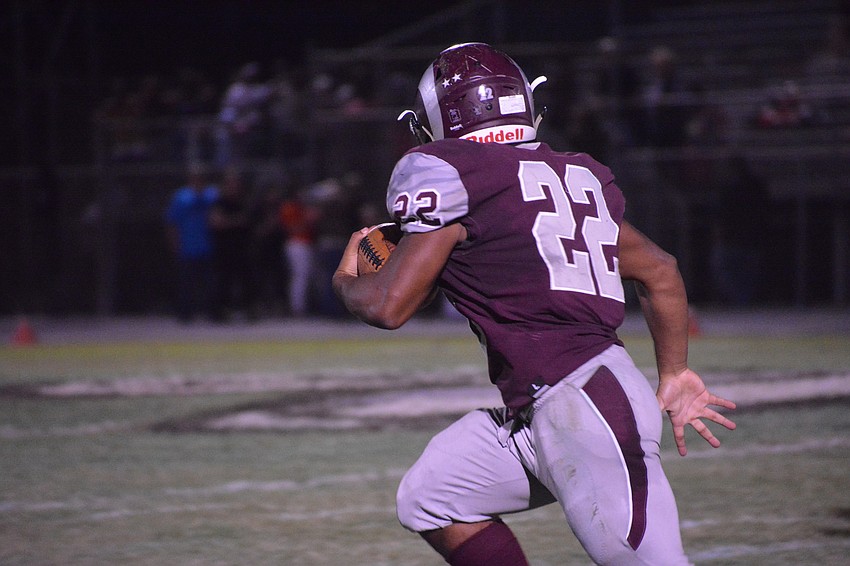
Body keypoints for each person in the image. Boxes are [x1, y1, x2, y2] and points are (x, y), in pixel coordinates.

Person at [332, 43, 736, 565]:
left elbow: (389, 306)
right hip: (545, 406)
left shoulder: (454, 174)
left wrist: (344, 276)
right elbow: (661, 270)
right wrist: (675, 370)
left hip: (585, 402)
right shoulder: (566, 175)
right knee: (434, 495)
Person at [165, 164, 218, 322]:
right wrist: (174, 243)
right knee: (187, 284)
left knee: (211, 284)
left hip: (208, 246)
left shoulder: (211, 195)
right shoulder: (181, 197)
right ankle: (185, 314)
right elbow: (171, 222)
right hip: (187, 247)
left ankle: (212, 313)